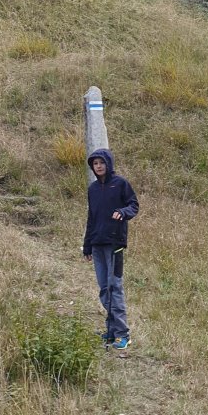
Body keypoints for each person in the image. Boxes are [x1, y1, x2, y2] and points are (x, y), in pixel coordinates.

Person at [82, 148, 140, 351]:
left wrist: (123, 212)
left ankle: (123, 334)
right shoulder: (93, 189)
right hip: (97, 244)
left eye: (101, 163)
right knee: (104, 288)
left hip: (115, 244)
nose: (98, 166)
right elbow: (91, 218)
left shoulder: (120, 184)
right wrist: (87, 245)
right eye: (95, 163)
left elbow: (134, 205)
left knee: (114, 287)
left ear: (108, 164)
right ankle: (112, 330)